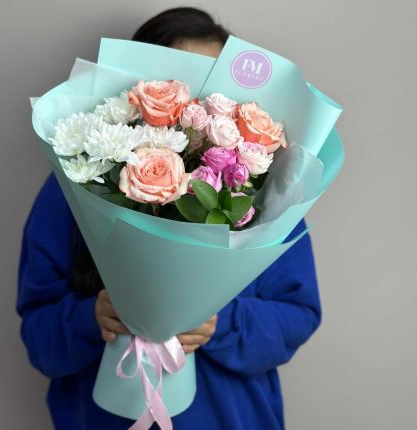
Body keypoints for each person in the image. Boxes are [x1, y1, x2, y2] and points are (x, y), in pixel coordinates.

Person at [17, 7, 321, 430]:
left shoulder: (263, 194)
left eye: (214, 87)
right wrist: (90, 318)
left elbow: (297, 314)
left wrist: (218, 324)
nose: (196, 103)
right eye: (179, 82)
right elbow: (39, 337)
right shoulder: (74, 188)